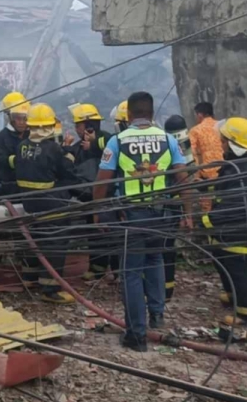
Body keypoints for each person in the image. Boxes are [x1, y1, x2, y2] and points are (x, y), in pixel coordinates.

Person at [94, 92, 192, 352]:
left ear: (128, 116)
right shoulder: (169, 139)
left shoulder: (118, 141)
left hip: (132, 215)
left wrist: (97, 211)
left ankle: (136, 335)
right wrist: (188, 212)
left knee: (131, 273)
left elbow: (103, 181)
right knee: (156, 260)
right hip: (162, 214)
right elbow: (183, 178)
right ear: (151, 114)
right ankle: (157, 316)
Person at [200, 117, 247, 337]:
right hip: (233, 234)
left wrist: (208, 221)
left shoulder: (241, 172)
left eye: (224, 139)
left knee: (239, 272)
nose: (220, 143)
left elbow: (233, 206)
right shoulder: (240, 166)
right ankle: (232, 296)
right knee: (224, 263)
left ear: (233, 143)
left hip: (239, 234)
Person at [13, 103, 79, 304]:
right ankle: (50, 289)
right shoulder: (52, 148)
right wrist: (69, 152)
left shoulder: (22, 145)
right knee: (55, 242)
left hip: (29, 202)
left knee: (34, 238)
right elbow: (65, 171)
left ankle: (30, 277)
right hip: (51, 203)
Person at [67, 103, 116, 281]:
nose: (76, 130)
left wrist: (94, 145)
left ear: (89, 125)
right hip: (89, 196)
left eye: (78, 126)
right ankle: (97, 268)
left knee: (106, 232)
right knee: (94, 233)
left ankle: (111, 269)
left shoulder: (108, 140)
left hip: (107, 196)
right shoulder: (80, 145)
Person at [161, 114, 194, 299]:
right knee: (168, 247)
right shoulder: (184, 147)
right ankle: (167, 288)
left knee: (160, 249)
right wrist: (187, 213)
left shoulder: (166, 146)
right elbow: (186, 181)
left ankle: (163, 288)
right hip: (175, 204)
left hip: (165, 204)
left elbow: (182, 180)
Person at [0, 92, 30, 201]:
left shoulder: (32, 135)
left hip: (25, 187)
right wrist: (21, 160)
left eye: (24, 118)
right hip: (5, 186)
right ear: (10, 117)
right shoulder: (1, 137)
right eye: (18, 118)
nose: (21, 122)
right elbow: (3, 160)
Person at [189, 102, 223, 212]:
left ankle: (207, 223)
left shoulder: (195, 130)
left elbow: (192, 153)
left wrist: (196, 175)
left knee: (206, 204)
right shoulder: (222, 126)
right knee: (224, 200)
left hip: (207, 175)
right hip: (225, 172)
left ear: (199, 115)